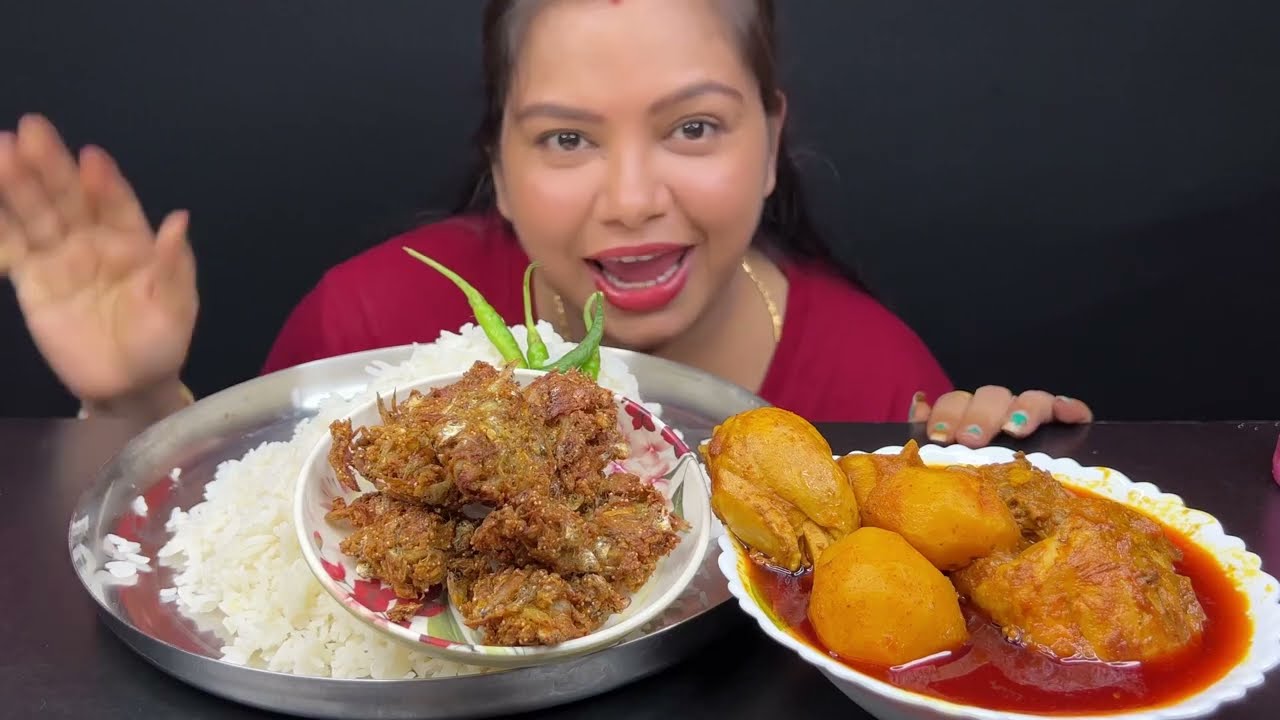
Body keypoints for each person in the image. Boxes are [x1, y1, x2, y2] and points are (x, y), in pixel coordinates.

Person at [0, 0, 1090, 447]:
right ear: (501, 170)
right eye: (566, 140)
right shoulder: (372, 311)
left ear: (769, 142)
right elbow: (231, 539)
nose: (629, 197)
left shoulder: (869, 379)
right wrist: (132, 395)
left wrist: (993, 470)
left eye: (694, 129)